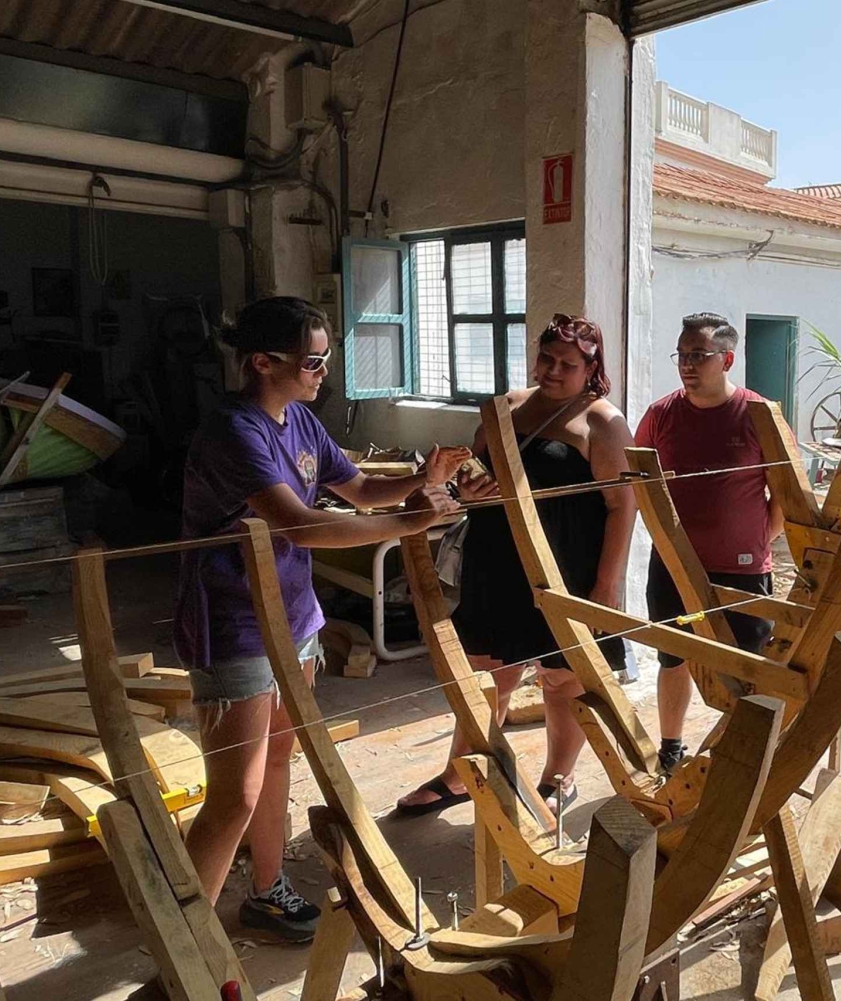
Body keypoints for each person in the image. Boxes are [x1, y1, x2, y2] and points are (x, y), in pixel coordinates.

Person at [175, 296, 462, 942]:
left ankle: (266, 889)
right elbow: (300, 526)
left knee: (278, 759)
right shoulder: (235, 431)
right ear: (262, 362)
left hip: (295, 615)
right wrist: (411, 521)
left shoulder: (301, 421)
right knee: (234, 796)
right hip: (234, 623)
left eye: (326, 359)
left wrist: (420, 481)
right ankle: (185, 941)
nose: (323, 373)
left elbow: (357, 490)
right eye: (312, 361)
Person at [395, 314, 637, 815]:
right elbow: (472, 475)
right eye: (546, 358)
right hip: (497, 559)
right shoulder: (506, 406)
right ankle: (461, 773)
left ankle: (558, 777)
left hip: (566, 566)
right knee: (488, 673)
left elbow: (622, 506)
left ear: (591, 368)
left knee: (562, 676)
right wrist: (469, 490)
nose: (553, 370)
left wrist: (607, 585)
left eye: (567, 364)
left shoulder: (603, 423)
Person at [635, 312, 784, 774]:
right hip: (672, 566)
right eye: (682, 355)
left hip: (741, 571)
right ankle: (671, 748)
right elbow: (638, 483)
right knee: (673, 657)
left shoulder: (760, 414)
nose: (687, 364)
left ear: (728, 359)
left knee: (746, 667)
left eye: (698, 355)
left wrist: (755, 541)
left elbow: (784, 495)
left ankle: (741, 759)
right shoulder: (661, 415)